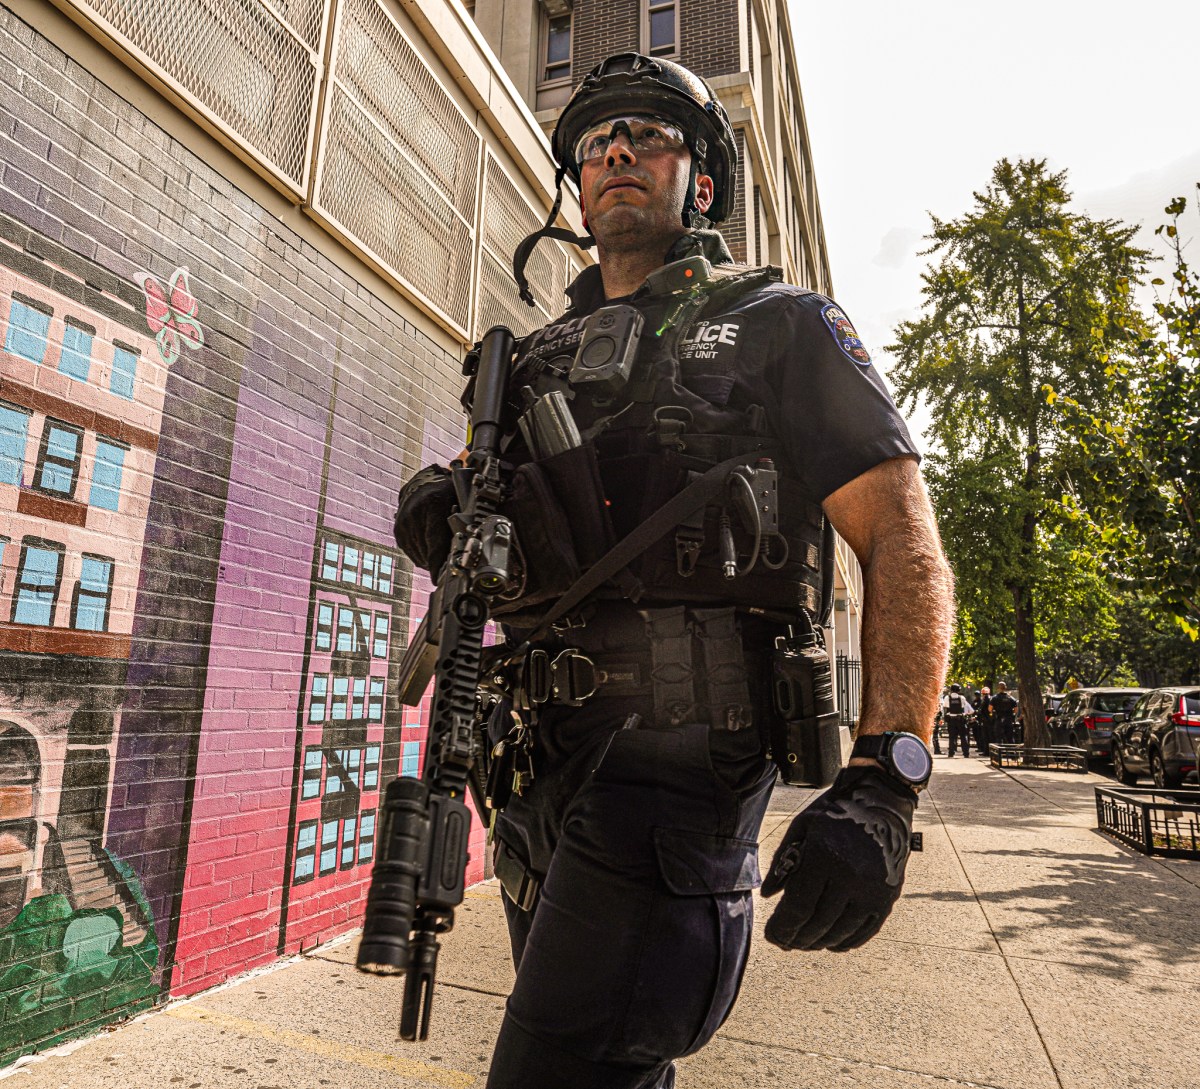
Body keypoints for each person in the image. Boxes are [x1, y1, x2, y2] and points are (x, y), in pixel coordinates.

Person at [394, 52, 954, 1089]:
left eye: (645, 135)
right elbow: (498, 543)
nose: (614, 152)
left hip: (674, 778)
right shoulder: (535, 361)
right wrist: (444, 509)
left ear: (699, 179)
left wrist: (889, 778)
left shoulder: (780, 324)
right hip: (529, 777)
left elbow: (902, 540)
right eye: (596, 141)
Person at [941, 684, 974, 757]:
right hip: (960, 719)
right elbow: (964, 706)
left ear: (951, 690)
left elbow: (945, 706)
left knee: (952, 737)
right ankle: (966, 753)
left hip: (951, 720)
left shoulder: (947, 697)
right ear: (958, 690)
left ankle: (951, 753)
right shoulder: (962, 698)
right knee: (963, 736)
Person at [974, 685, 993, 755]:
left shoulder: (985, 701)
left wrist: (977, 715)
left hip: (985, 720)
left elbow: (981, 711)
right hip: (990, 721)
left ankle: (986, 752)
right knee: (990, 736)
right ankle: (990, 751)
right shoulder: (991, 699)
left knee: (985, 737)